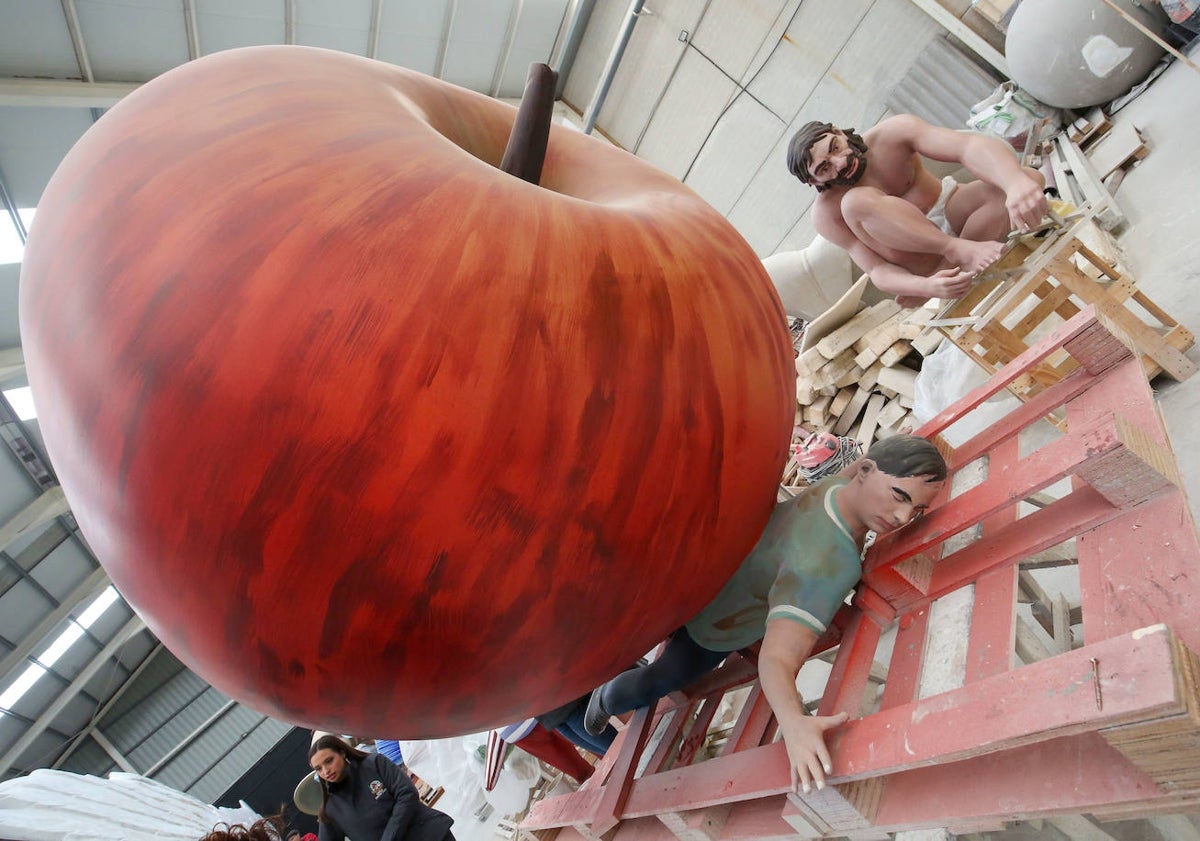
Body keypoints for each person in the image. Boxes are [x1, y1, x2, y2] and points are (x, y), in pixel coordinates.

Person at [583, 434, 947, 795]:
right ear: (866, 471)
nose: (903, 517)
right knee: (664, 679)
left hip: (715, 578)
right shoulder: (829, 563)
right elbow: (776, 658)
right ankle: (607, 699)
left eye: (917, 510)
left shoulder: (839, 486)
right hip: (719, 628)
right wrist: (793, 721)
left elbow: (871, 465)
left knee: (661, 640)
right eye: (900, 496)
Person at [786, 114, 1048, 307]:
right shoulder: (826, 213)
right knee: (854, 202)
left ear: (838, 131)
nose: (841, 163)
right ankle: (957, 256)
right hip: (922, 259)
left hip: (956, 211)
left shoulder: (893, 133)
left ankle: (964, 256)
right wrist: (924, 286)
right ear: (814, 182)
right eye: (824, 168)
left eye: (835, 147)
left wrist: (1014, 183)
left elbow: (967, 147)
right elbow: (876, 270)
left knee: (1028, 178)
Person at [308, 734, 454, 841]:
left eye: (329, 761)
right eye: (318, 768)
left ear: (342, 753)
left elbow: (407, 794)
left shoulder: (374, 763)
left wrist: (389, 837)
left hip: (431, 835)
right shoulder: (331, 809)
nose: (326, 771)